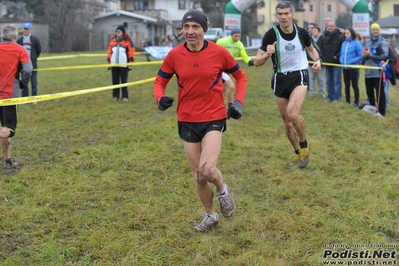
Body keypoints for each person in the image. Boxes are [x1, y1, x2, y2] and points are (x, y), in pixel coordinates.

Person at [153, 10, 247, 232]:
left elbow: (240, 76)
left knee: (208, 169)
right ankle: (210, 216)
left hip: (214, 116)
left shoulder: (219, 53)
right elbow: (159, 81)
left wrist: (238, 102)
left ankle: (223, 190)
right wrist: (160, 98)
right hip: (186, 119)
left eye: (195, 27)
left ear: (204, 29)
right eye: (186, 27)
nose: (190, 31)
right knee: (198, 176)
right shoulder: (174, 55)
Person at [253, 0, 321, 169]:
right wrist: (267, 55)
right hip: (280, 78)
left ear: (292, 15)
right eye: (280, 14)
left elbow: (311, 49)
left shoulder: (302, 33)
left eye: (286, 14)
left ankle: (304, 146)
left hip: (299, 75)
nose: (283, 17)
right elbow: (256, 62)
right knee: (287, 122)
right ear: (277, 16)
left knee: (292, 113)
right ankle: (297, 151)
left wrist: (318, 60)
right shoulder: (270, 35)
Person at [0, 25, 33, 168]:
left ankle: (7, 159)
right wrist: (23, 83)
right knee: (9, 129)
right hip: (9, 95)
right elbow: (28, 70)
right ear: (15, 37)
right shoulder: (20, 49)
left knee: (4, 130)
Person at [216, 27, 254, 106]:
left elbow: (245, 56)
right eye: (235, 36)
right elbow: (213, 52)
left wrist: (250, 62)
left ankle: (222, 103)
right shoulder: (221, 41)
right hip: (218, 68)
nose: (237, 38)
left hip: (228, 69)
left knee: (223, 88)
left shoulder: (240, 45)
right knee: (227, 87)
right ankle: (226, 104)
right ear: (231, 35)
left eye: (239, 36)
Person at [362, 23, 388, 116]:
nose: (375, 31)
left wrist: (370, 55)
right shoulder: (368, 42)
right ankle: (372, 108)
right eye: (373, 29)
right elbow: (365, 56)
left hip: (377, 72)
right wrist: (364, 56)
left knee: (379, 93)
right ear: (371, 31)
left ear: (379, 30)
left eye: (377, 29)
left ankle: (381, 111)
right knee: (369, 91)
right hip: (368, 71)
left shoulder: (382, 42)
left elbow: (384, 55)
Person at [107, 25, 135, 102]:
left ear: (122, 32)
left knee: (124, 81)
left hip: (123, 65)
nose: (117, 33)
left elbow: (131, 53)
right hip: (114, 65)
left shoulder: (128, 42)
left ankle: (125, 96)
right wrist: (108, 63)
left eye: (119, 31)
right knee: (115, 81)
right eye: (116, 31)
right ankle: (115, 96)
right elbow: (109, 53)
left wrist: (130, 63)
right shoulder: (112, 42)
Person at [319, 20, 344, 103]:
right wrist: (322, 57)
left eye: (331, 26)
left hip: (336, 62)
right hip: (327, 61)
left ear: (335, 26)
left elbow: (342, 49)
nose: (330, 28)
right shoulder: (323, 36)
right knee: (328, 81)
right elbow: (321, 47)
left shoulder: (340, 36)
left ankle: (336, 97)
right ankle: (330, 96)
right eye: (328, 26)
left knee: (337, 81)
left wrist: (337, 55)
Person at [17, 22, 41, 104]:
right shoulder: (19, 41)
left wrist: (33, 58)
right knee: (24, 83)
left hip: (33, 66)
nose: (26, 30)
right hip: (23, 66)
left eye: (27, 29)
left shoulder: (35, 40)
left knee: (34, 83)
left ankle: (34, 99)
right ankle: (25, 99)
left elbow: (39, 50)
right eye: (25, 29)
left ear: (30, 30)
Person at [339, 27, 363, 107]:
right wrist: (341, 60)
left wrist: (352, 61)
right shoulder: (344, 43)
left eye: (348, 33)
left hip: (353, 68)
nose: (346, 35)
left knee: (354, 85)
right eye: (345, 33)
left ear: (352, 33)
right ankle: (347, 100)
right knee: (346, 84)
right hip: (345, 68)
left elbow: (360, 55)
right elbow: (342, 54)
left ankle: (356, 101)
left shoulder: (356, 43)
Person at [307, 26, 325, 97]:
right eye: (312, 30)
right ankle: (312, 92)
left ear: (319, 31)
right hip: (310, 62)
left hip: (320, 62)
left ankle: (321, 92)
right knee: (311, 78)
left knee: (320, 78)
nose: (313, 31)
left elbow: (324, 50)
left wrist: (320, 60)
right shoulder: (309, 39)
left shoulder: (322, 39)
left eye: (315, 30)